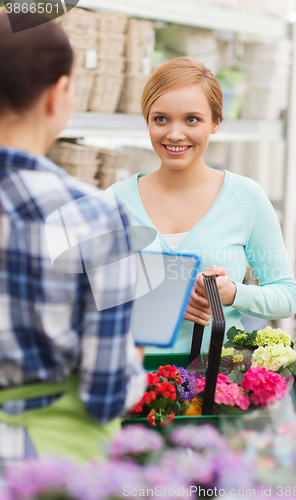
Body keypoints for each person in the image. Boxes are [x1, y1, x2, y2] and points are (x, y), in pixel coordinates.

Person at [0, 11, 146, 468]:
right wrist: (134, 363)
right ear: (59, 93)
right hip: (47, 467)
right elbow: (106, 393)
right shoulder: (94, 214)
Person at [109, 57, 296, 354]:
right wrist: (158, 300)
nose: (174, 133)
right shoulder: (114, 201)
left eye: (191, 119)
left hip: (214, 385)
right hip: (129, 383)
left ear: (216, 123)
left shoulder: (245, 197)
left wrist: (233, 293)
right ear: (147, 120)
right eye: (161, 119)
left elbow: (287, 296)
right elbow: (81, 299)